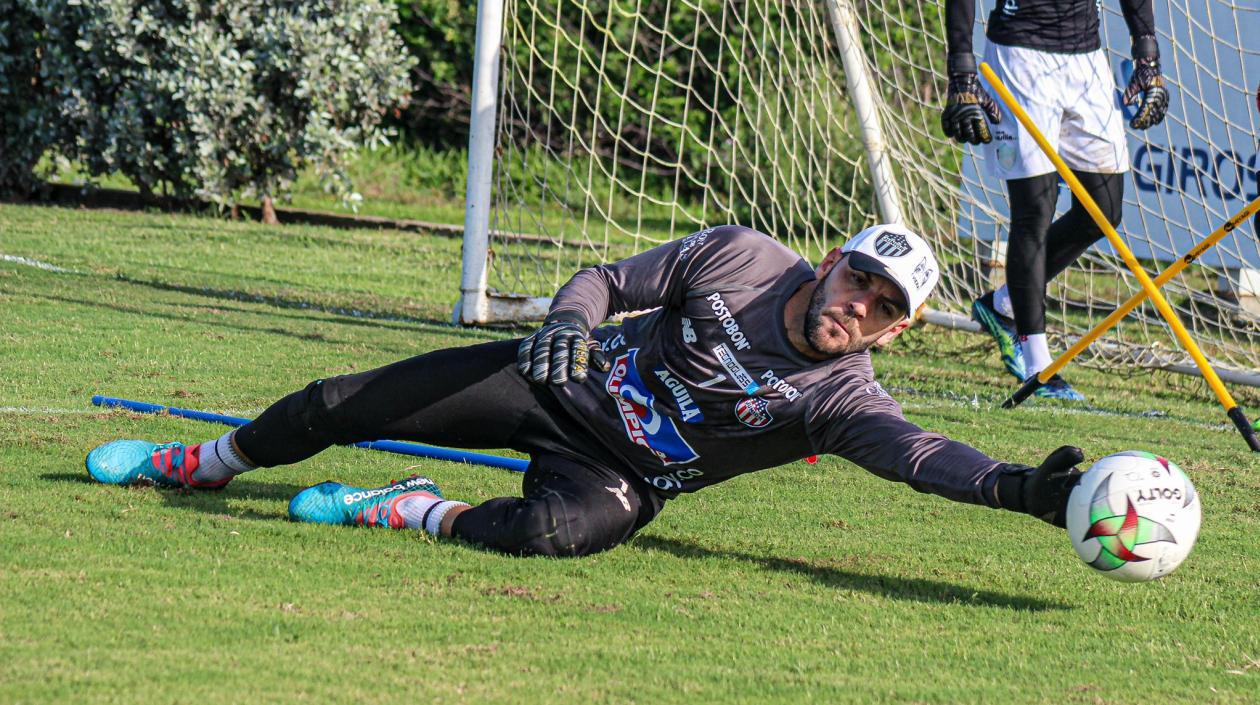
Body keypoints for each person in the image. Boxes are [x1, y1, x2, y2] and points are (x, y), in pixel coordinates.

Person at [85, 224, 1086, 557]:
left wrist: (1015, 488)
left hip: (620, 474)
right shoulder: (742, 257)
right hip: (555, 384)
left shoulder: (846, 401)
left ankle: (406, 511)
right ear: (831, 262)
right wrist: (568, 322)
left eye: (883, 308)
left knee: (557, 537)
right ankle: (204, 465)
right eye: (858, 280)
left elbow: (920, 457)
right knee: (339, 401)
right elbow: (608, 281)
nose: (858, 309)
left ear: (900, 331)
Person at [941, 0, 1169, 401]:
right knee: (1034, 213)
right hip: (1019, 58)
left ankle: (1005, 304)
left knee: (1103, 211)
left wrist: (1147, 56)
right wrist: (961, 70)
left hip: (1087, 60)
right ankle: (1038, 366)